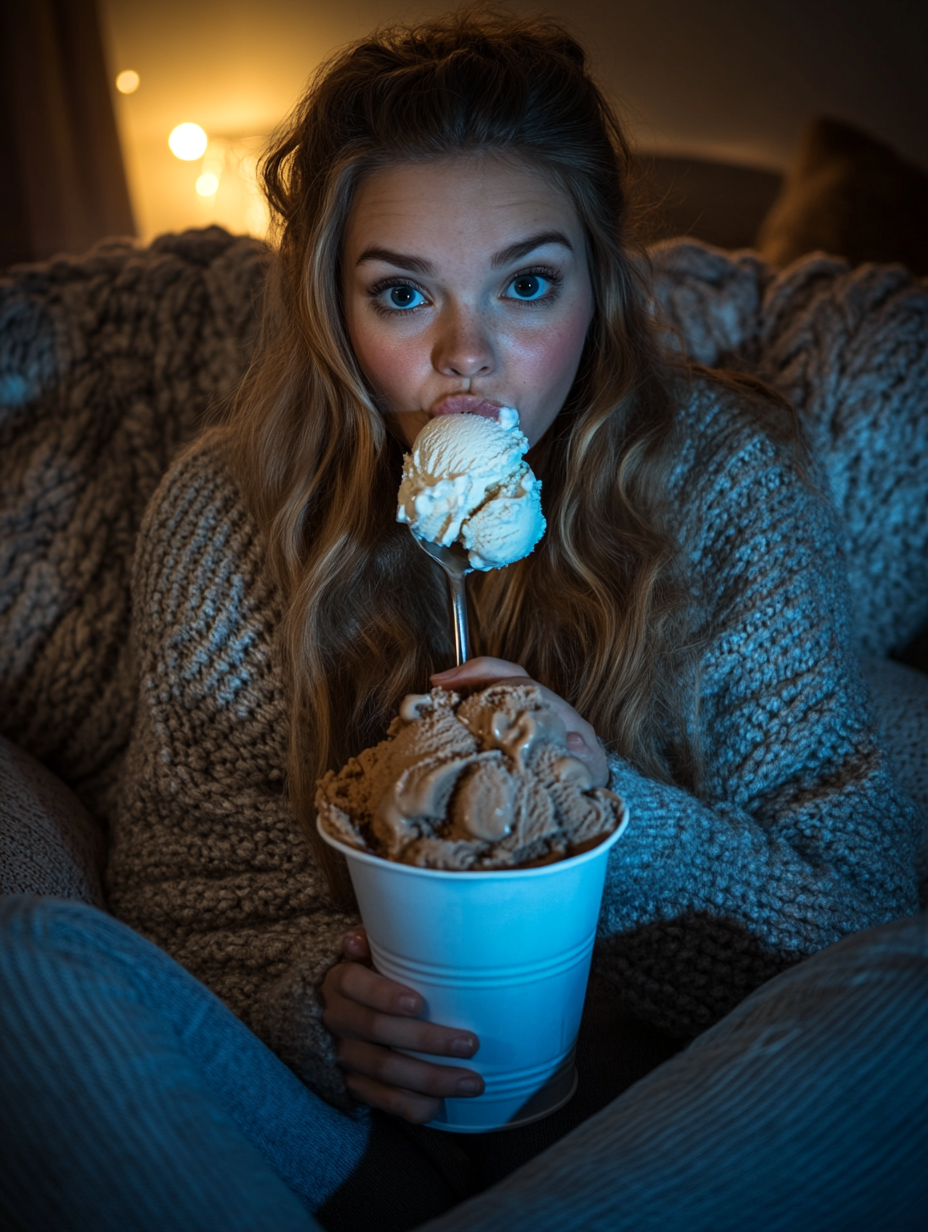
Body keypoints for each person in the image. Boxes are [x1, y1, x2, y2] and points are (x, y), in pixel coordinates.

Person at [0, 8, 924, 1230]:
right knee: (30, 974)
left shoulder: (724, 483)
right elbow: (188, 879)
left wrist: (600, 812)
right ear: (333, 306)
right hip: (339, 1131)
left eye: (527, 284)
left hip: (673, 1113)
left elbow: (848, 908)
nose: (467, 358)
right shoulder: (229, 510)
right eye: (401, 293)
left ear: (598, 285)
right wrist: (311, 1000)